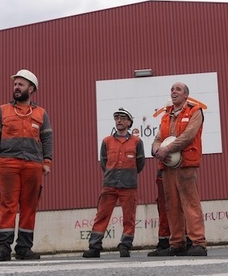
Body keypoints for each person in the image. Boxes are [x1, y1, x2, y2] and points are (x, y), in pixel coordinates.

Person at [0, 69, 53, 261]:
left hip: (33, 165)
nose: (16, 87)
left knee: (29, 206)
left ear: (31, 89)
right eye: (15, 84)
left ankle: (24, 248)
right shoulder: (3, 110)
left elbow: (47, 138)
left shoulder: (41, 113)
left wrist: (47, 161)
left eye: (20, 84)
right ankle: (3, 249)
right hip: (7, 164)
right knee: (8, 205)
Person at [150, 82, 207, 256]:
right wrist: (155, 150)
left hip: (186, 165)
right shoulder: (166, 116)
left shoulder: (194, 111)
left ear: (185, 95)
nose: (174, 92)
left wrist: (168, 149)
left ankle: (198, 243)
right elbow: (158, 138)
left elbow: (189, 135)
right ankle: (177, 243)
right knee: (172, 205)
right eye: (172, 90)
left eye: (178, 90)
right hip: (168, 167)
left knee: (190, 203)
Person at [83, 108, 146, 258]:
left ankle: (125, 246)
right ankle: (95, 247)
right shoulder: (107, 141)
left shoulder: (137, 142)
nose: (119, 120)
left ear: (129, 122)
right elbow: (104, 162)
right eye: (117, 118)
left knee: (129, 217)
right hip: (109, 185)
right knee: (102, 215)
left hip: (129, 186)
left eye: (123, 118)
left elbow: (140, 163)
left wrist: (127, 175)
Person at [146, 169, 172, 256]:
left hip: (167, 171)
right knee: (165, 209)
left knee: (166, 209)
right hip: (168, 171)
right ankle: (169, 242)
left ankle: (166, 243)